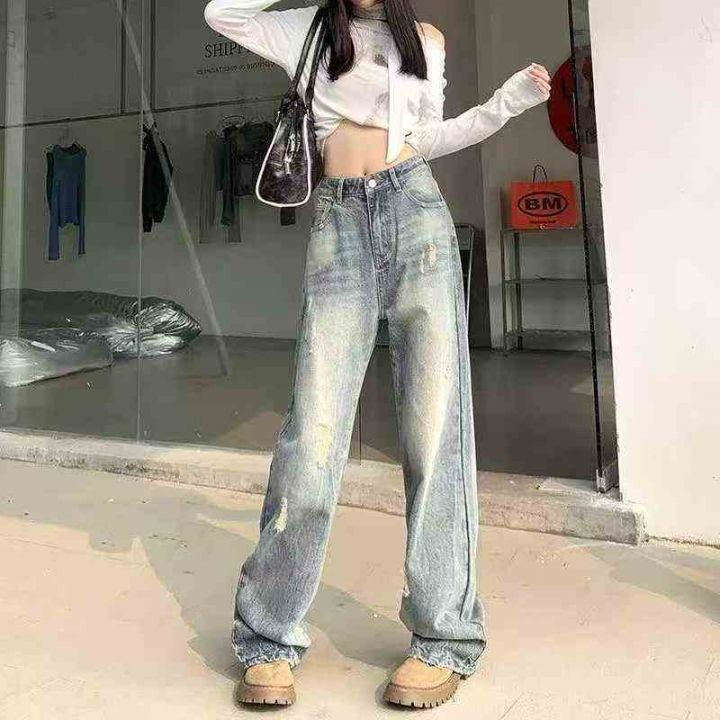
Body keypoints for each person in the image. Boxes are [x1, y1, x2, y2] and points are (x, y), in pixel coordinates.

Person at [203, 0, 550, 708]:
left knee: (434, 431)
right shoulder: (307, 28)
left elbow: (429, 137)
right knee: (312, 436)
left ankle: (445, 636)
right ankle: (268, 636)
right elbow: (221, 13)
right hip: (338, 224)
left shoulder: (424, 39)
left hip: (416, 215)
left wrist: (506, 103)